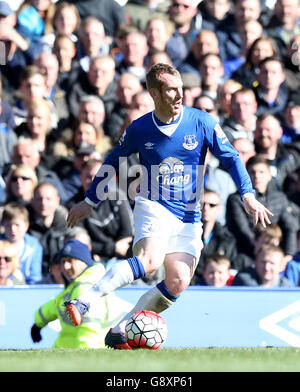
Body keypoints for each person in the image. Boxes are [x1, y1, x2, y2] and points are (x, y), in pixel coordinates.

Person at [64, 63, 273, 350]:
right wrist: (90, 200)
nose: (179, 95)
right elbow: (114, 160)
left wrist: (247, 194)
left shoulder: (202, 122)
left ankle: (122, 328)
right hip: (154, 206)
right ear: (154, 93)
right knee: (150, 261)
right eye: (171, 90)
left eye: (181, 89)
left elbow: (232, 158)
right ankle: (84, 300)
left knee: (177, 280)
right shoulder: (139, 128)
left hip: (189, 217)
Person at [30, 239, 132, 348]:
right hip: (66, 350)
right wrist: (38, 323)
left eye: (70, 261)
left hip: (86, 351)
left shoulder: (84, 288)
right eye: (63, 261)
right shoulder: (77, 284)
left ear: (84, 262)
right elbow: (56, 304)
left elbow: (89, 329)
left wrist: (85, 356)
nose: (66, 266)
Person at [226, 154, 299, 258]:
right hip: (245, 254)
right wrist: (261, 251)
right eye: (252, 172)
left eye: (261, 172)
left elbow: (291, 226)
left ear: (270, 176)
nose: (257, 176)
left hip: (275, 253)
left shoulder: (280, 198)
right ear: (245, 176)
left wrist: (288, 254)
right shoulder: (236, 199)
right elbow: (242, 231)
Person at [0, 202, 43, 284]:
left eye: (17, 225)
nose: (13, 229)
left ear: (26, 226)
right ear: (3, 225)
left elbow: (35, 278)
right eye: (9, 225)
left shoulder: (34, 247)